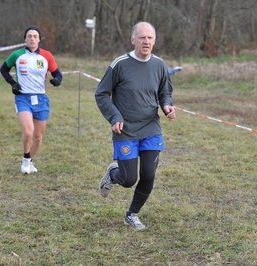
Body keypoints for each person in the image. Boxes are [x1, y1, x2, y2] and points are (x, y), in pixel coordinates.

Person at [95, 21, 176, 230]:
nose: (146, 41)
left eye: (150, 38)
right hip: (126, 130)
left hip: (151, 128)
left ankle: (132, 214)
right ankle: (113, 175)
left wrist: (167, 106)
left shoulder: (159, 65)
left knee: (149, 174)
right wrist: (114, 117)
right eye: (142, 37)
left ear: (155, 41)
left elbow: (164, 92)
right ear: (133, 40)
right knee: (128, 179)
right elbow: (102, 94)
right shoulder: (119, 64)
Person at [0, 25, 62, 174]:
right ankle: (26, 159)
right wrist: (13, 83)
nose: (32, 38)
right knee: (28, 132)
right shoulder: (17, 55)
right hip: (23, 97)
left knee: (38, 137)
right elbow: (3, 69)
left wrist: (57, 80)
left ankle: (28, 160)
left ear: (39, 39)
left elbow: (57, 74)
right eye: (29, 36)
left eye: (35, 36)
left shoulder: (46, 56)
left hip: (41, 99)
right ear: (25, 39)